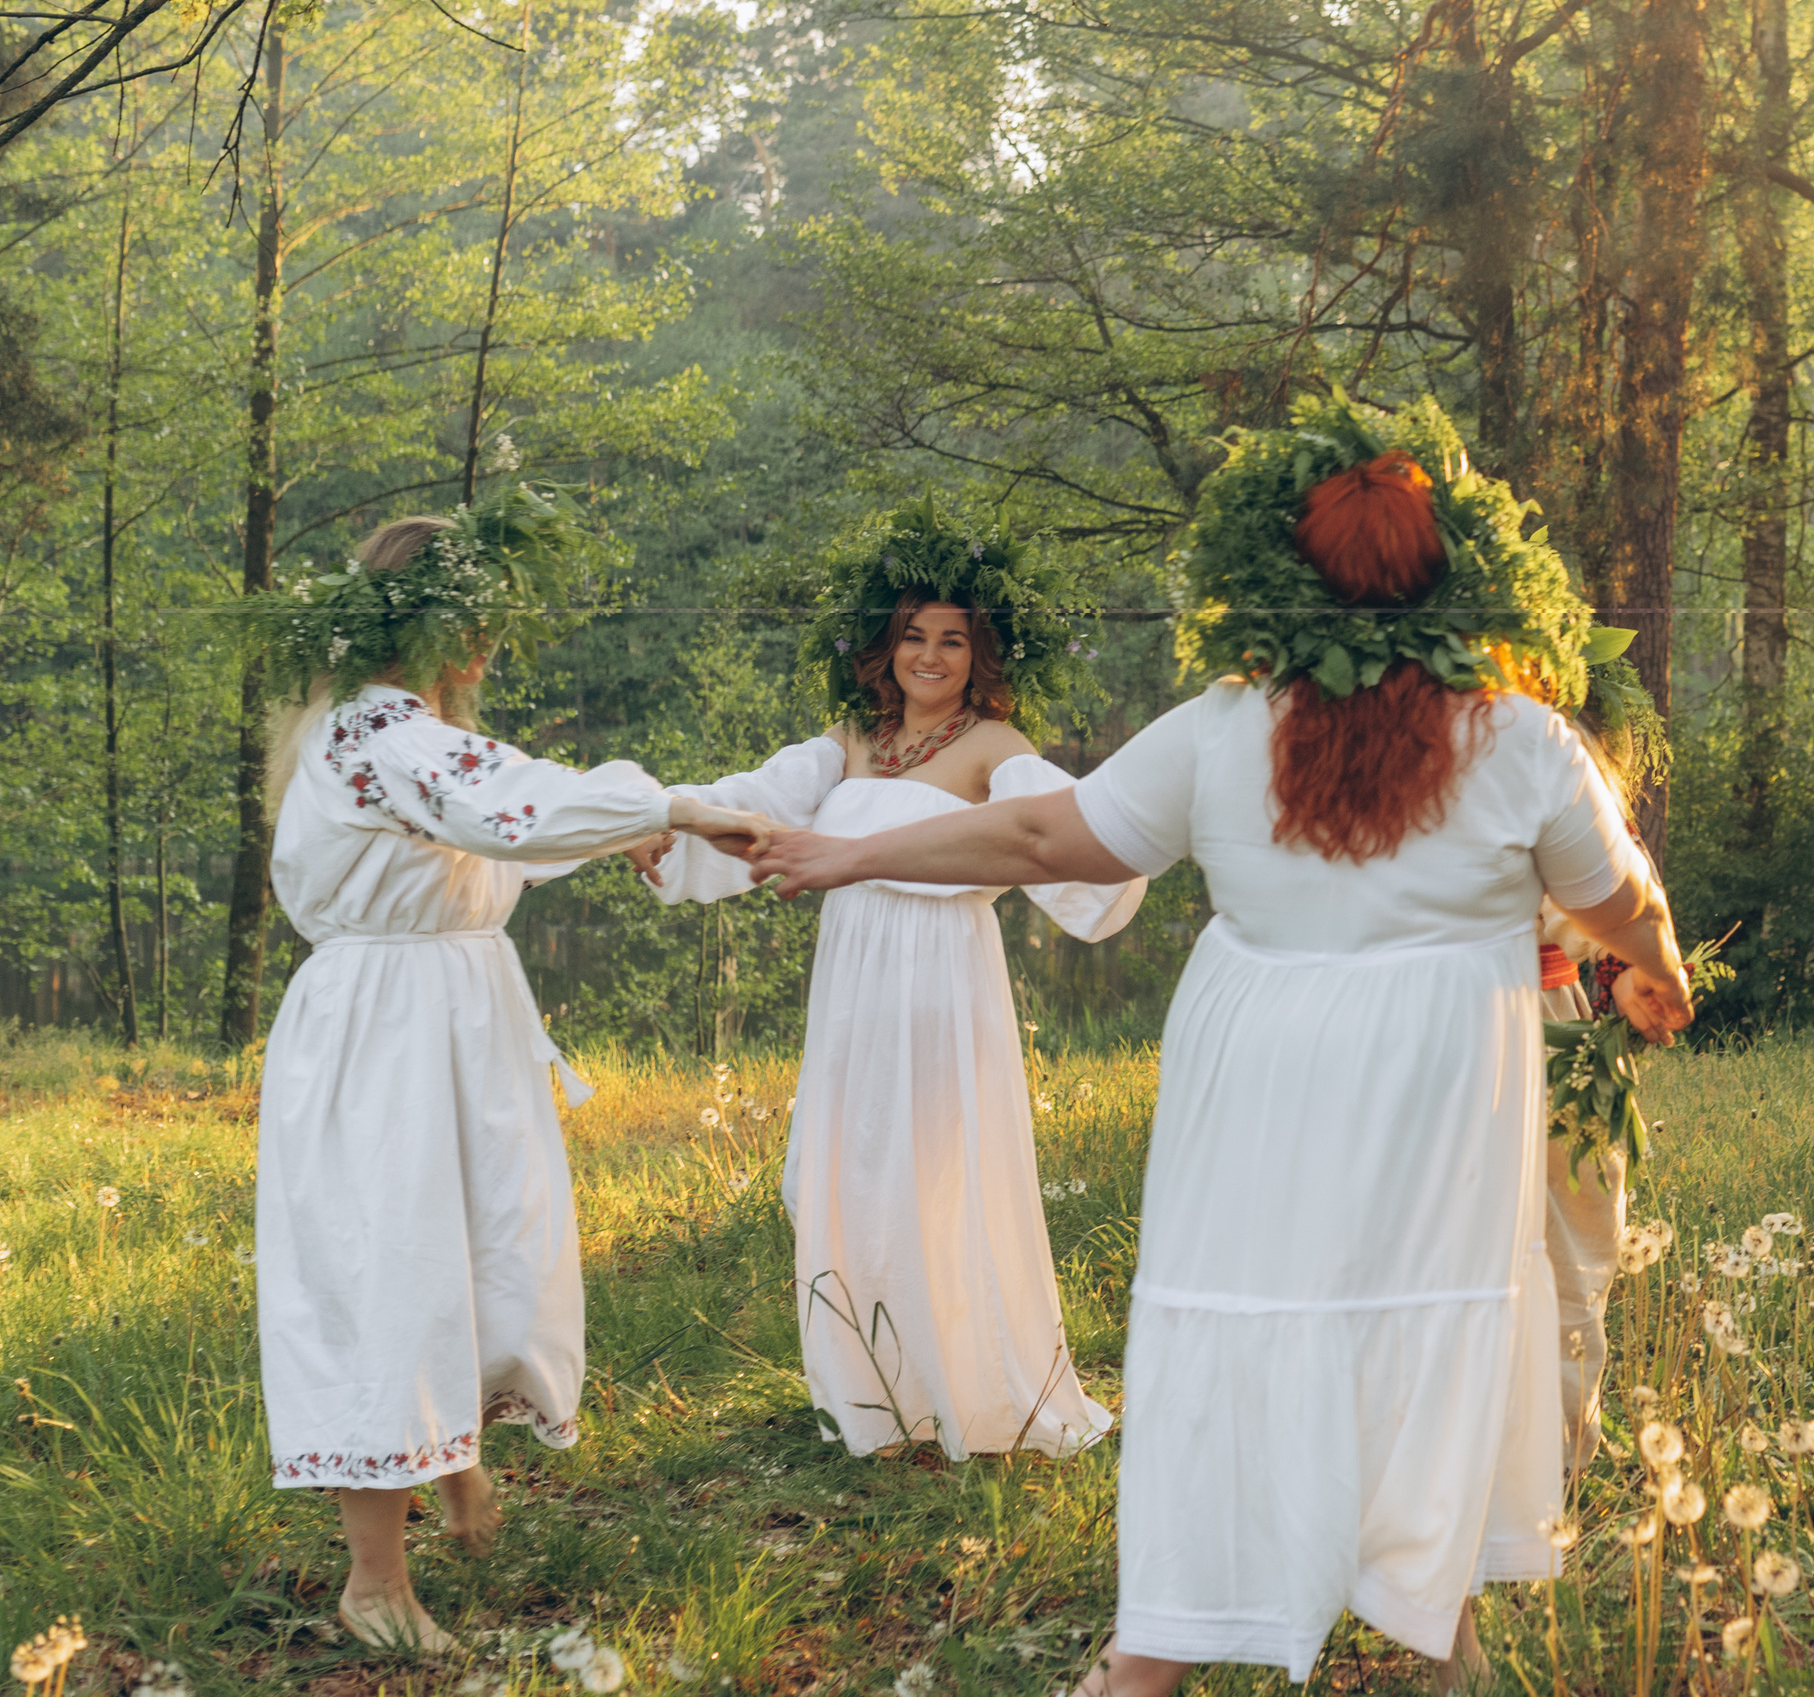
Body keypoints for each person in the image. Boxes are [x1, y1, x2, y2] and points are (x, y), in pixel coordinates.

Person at [748, 399, 1692, 1695]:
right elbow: (1619, 897)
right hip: (1438, 1076)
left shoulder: (1225, 721)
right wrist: (1660, 966)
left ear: (1283, 584)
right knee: (1417, 1316)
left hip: (1260, 1070)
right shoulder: (1519, 735)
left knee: (1249, 1319)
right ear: (1446, 577)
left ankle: (1184, 1651)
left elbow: (1040, 839)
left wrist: (856, 849)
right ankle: (1424, 1626)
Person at [246, 489, 772, 1653]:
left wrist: (616, 830)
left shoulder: (396, 735)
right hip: (387, 1032)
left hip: (448, 1011)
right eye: (479, 621)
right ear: (430, 625)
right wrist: (678, 805)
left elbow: (493, 841)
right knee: (387, 1263)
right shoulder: (379, 733)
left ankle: (460, 1476)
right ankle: (374, 1580)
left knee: (479, 1242)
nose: (491, 646)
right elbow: (511, 806)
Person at [637, 504, 1142, 1461]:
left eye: (953, 638)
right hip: (853, 982)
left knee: (940, 1174)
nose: (931, 654)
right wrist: (675, 820)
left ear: (979, 652)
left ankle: (967, 1391)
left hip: (943, 980)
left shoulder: (995, 746)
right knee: (854, 1173)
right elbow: (760, 798)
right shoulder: (852, 740)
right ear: (887, 644)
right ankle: (873, 1398)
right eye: (915, 634)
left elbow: (1061, 834)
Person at [1531, 640, 1674, 1473]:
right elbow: (1616, 900)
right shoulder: (1555, 759)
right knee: (1569, 1239)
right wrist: (1633, 970)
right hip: (1546, 1020)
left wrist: (1622, 975)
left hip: (1444, 1023)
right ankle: (1556, 1451)